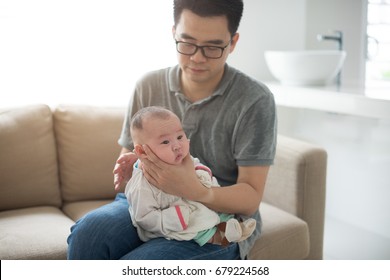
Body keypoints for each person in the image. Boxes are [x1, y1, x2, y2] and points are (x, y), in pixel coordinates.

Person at [67, 0, 277, 260]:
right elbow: (130, 161)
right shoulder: (148, 85)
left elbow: (250, 197)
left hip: (215, 218)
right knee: (89, 233)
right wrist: (130, 168)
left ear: (232, 42)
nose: (197, 58)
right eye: (187, 43)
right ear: (173, 34)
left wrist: (197, 191)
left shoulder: (254, 100)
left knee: (142, 264)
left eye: (212, 47)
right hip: (150, 202)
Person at [125, 106, 256, 247]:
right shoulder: (141, 186)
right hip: (177, 220)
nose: (177, 146)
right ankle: (221, 236)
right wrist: (177, 216)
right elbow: (145, 218)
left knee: (214, 212)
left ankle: (230, 223)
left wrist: (200, 174)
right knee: (197, 227)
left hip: (199, 201)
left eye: (180, 137)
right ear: (142, 151)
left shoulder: (178, 158)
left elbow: (195, 164)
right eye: (165, 142)